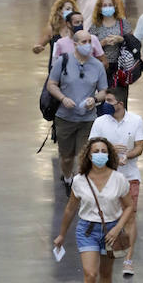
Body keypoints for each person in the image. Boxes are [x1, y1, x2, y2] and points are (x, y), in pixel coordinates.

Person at [54, 136, 134, 283]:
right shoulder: (80, 181)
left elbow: (129, 207)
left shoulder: (119, 179)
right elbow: (70, 209)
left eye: (103, 151)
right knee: (90, 273)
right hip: (87, 230)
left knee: (106, 273)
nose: (100, 155)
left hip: (111, 231)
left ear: (109, 155)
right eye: (96, 151)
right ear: (88, 155)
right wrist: (61, 235)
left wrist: (117, 229)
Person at [90, 89, 143, 280]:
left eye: (110, 101)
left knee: (130, 218)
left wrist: (126, 156)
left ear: (120, 103)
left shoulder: (136, 121)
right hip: (105, 177)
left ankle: (128, 259)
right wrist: (111, 152)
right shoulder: (100, 122)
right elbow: (92, 147)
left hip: (130, 177)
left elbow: (139, 147)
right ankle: (106, 249)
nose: (106, 104)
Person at [47, 30, 108, 189]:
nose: (88, 45)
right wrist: (63, 98)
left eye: (90, 41)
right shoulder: (63, 61)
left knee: (84, 156)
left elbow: (103, 91)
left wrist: (94, 99)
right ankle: (67, 177)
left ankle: (80, 186)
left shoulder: (97, 66)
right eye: (84, 42)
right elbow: (51, 84)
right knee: (66, 157)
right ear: (75, 44)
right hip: (65, 118)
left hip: (87, 119)